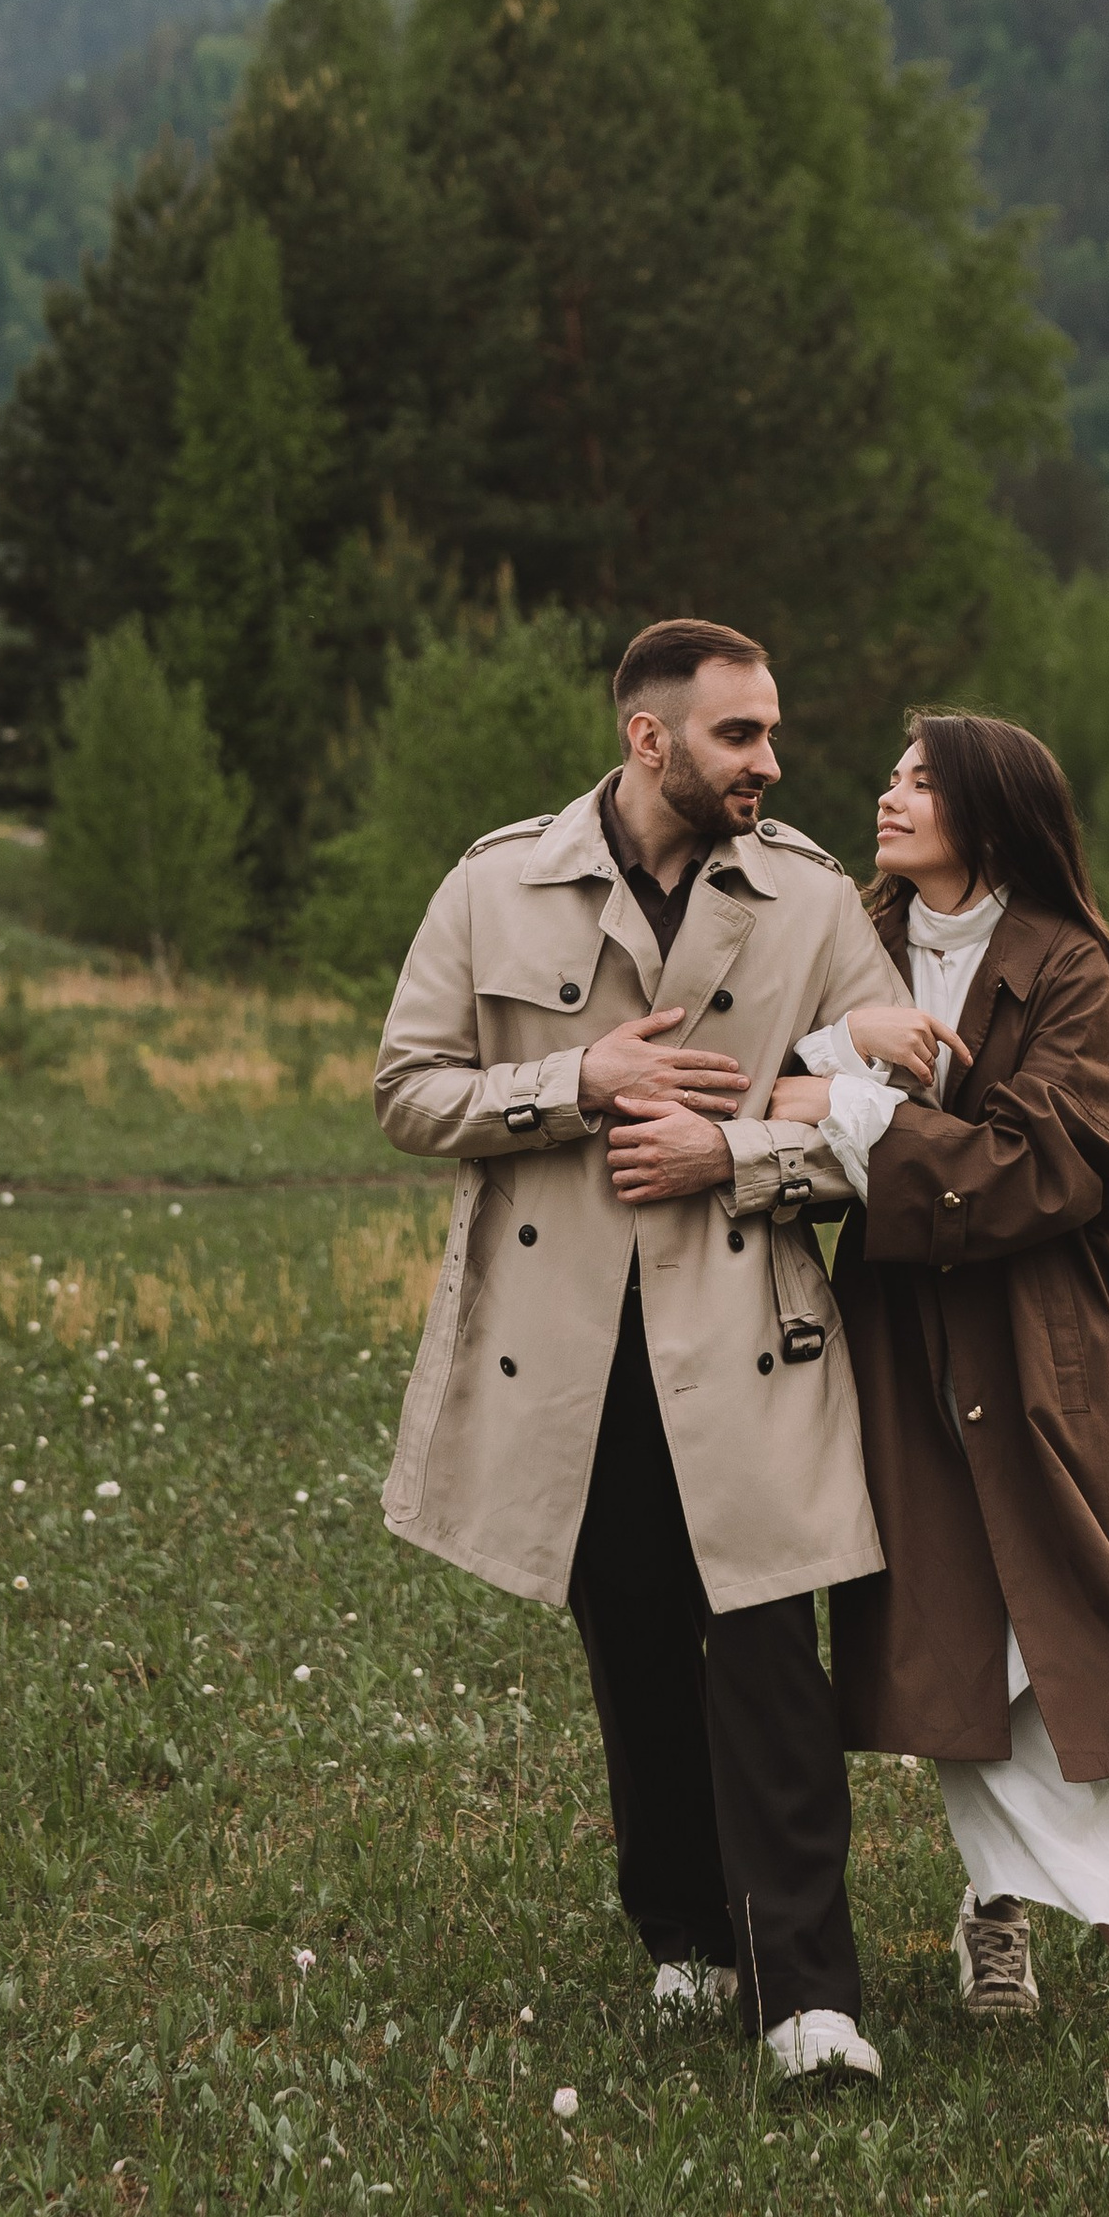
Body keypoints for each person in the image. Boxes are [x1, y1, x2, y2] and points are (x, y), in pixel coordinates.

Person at [372, 617, 900, 2084]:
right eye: (740, 736)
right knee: (639, 1656)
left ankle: (809, 1995)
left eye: (774, 733)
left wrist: (728, 1153)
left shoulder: (808, 899)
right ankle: (686, 1937)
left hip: (749, 1336)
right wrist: (577, 1084)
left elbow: (878, 1129)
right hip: (570, 1350)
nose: (772, 762)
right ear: (647, 737)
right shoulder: (495, 886)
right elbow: (409, 1091)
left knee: (767, 1651)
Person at [769, 710, 1109, 2082]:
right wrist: (823, 1068)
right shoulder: (855, 940)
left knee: (1049, 1632)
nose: (888, 795)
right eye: (893, 775)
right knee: (958, 1625)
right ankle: (998, 1908)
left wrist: (840, 1108)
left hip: (1043, 1346)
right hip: (904, 1340)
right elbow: (763, 1066)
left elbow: (1035, 1168)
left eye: (920, 780)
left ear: (992, 813)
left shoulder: (1071, 969)